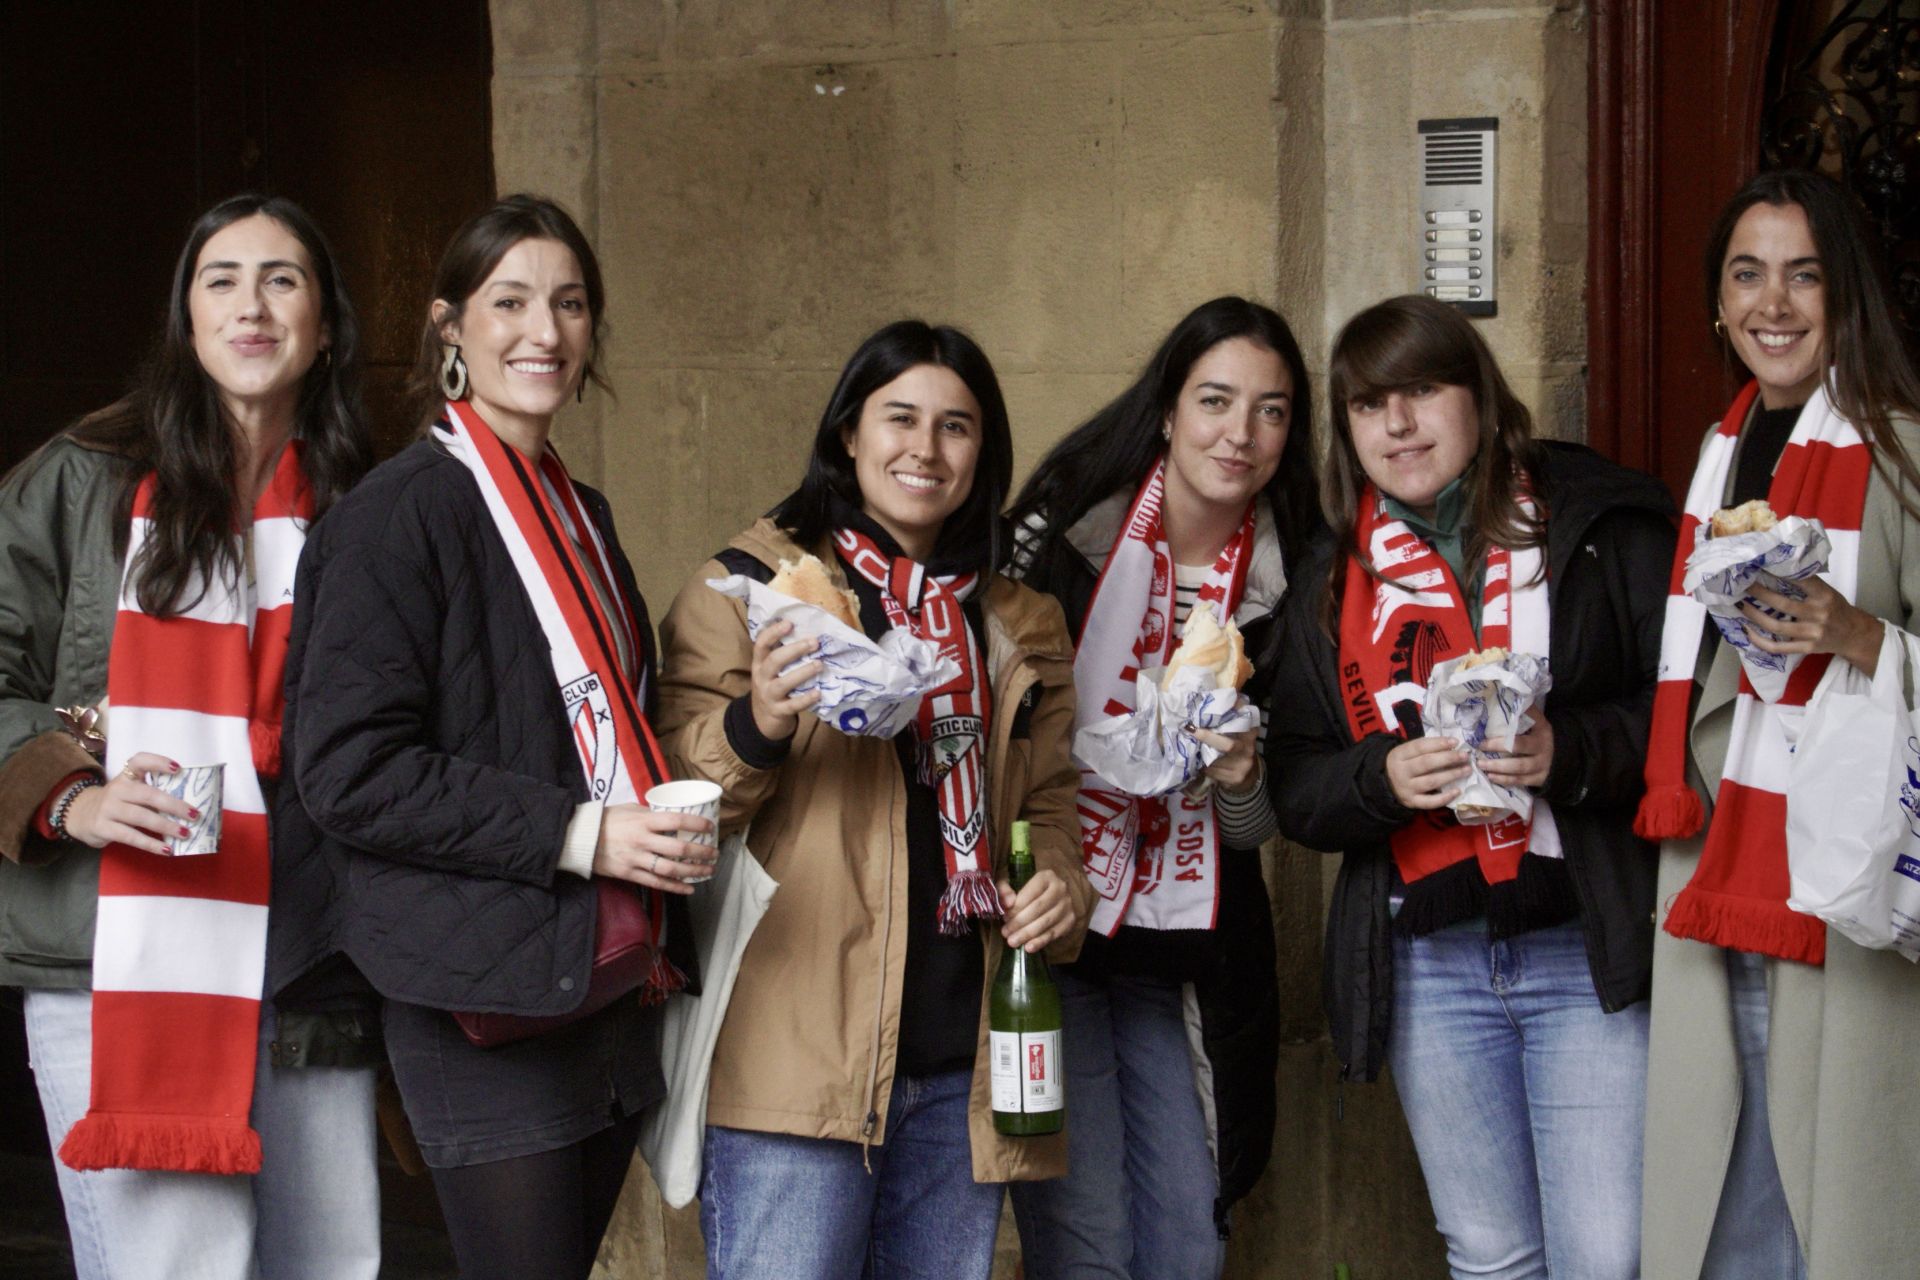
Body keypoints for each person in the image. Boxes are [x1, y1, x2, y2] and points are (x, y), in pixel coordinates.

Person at [270, 194, 706, 1280]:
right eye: (508, 301)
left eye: (568, 303)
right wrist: (582, 833)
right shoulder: (396, 511)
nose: (543, 331)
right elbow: (347, 772)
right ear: (448, 326)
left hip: (599, 979)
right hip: (475, 988)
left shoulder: (581, 509)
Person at [655, 319, 1092, 1280]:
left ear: (984, 454)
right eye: (899, 418)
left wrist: (1058, 878)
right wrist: (760, 718)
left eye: (955, 427)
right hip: (795, 1069)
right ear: (849, 433)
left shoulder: (1019, 621)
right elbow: (678, 798)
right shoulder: (750, 591)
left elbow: (1053, 803)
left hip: (959, 1072)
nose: (924, 449)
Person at [0, 194, 379, 1278]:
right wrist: (70, 790)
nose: (251, 306)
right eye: (222, 278)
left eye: (282, 279)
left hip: (310, 956)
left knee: (327, 1264)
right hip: (112, 954)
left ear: (325, 321)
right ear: (186, 315)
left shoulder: (368, 502)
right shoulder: (82, 477)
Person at [1268, 294, 1674, 1280]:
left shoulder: (1594, 520)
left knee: (1607, 1254)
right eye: (1369, 405)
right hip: (1430, 961)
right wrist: (1381, 775)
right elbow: (1296, 782)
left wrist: (1566, 752)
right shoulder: (1330, 575)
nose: (1399, 423)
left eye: (1422, 389)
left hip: (1585, 947)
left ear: (1480, 400)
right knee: (1490, 1254)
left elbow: (1687, 716)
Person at [1634, 169, 1920, 1280]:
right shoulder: (1718, 460)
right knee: (1730, 1213)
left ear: (1844, 295)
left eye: (1805, 275)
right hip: (1714, 867)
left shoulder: (1899, 451)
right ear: (1718, 301)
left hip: (1846, 884)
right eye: (1748, 274)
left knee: (1837, 1211)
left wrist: (1865, 638)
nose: (1775, 303)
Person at [1000, 296, 1312, 1275]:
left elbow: (1262, 826)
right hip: (1059, 933)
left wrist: (1241, 774)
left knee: (1189, 1236)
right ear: (1169, 409)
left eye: (1271, 410)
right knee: (1089, 1242)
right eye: (1216, 400)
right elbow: (991, 740)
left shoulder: (1293, 574)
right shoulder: (1064, 530)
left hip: (1187, 950)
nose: (1241, 432)